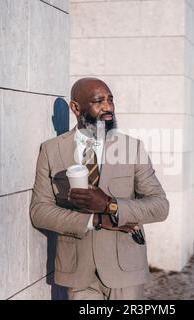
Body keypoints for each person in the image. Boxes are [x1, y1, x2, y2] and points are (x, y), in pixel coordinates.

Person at [29, 77, 169, 300]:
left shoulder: (132, 148)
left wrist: (110, 205)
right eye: (99, 101)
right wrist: (95, 220)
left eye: (110, 100)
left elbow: (160, 206)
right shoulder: (51, 150)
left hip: (125, 269)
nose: (108, 107)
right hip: (77, 271)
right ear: (76, 108)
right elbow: (40, 212)